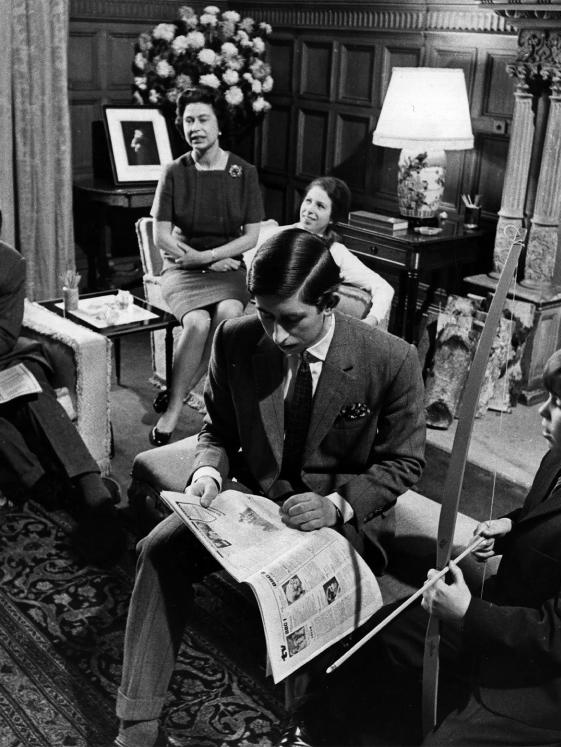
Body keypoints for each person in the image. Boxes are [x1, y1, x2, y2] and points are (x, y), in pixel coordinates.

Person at [114, 228, 426, 747]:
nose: (276, 335)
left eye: (291, 320)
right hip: (252, 504)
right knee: (158, 549)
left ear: (328, 304)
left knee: (300, 588)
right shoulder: (235, 337)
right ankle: (137, 723)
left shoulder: (391, 359)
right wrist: (208, 475)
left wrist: (335, 506)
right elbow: (217, 429)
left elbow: (403, 462)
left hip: (339, 519)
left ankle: (305, 728)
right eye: (264, 314)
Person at [312, 338, 561, 746]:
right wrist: (512, 527)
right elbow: (555, 518)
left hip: (555, 680)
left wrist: (465, 611)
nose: (544, 412)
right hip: (507, 622)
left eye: (560, 404)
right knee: (378, 636)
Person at [0, 190, 126, 567]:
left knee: (34, 394)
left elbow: (1, 336)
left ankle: (90, 488)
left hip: (5, 356)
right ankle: (43, 486)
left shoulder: (8, 263)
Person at [149, 85, 265, 446]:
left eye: (202, 119)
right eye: (188, 120)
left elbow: (251, 237)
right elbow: (161, 236)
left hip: (228, 267)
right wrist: (196, 258)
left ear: (218, 125)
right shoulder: (174, 171)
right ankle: (173, 410)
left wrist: (211, 258)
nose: (195, 127)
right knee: (197, 321)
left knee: (230, 313)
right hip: (182, 269)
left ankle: (177, 390)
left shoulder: (243, 172)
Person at [259, 176, 394, 329]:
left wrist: (372, 320)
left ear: (332, 218)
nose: (309, 210)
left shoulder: (335, 252)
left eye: (320, 206)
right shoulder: (277, 234)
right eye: (308, 201)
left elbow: (384, 288)